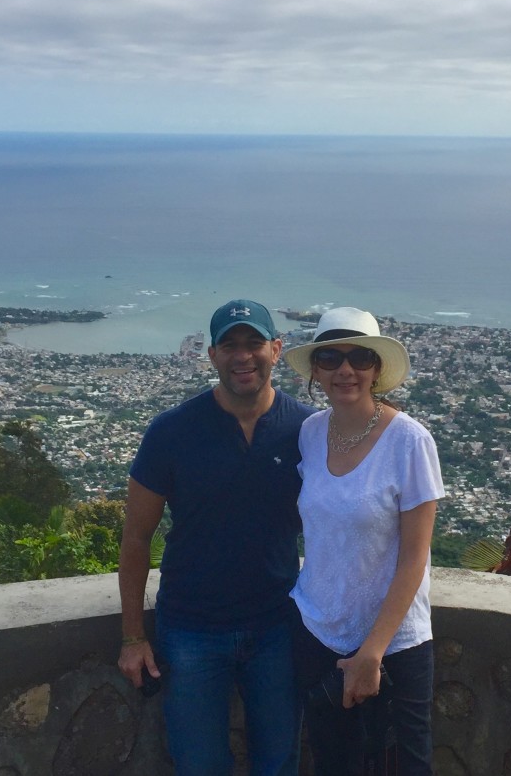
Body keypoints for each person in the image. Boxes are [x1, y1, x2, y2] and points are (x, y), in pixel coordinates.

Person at [117, 299, 316, 776]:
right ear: (211, 355)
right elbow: (136, 538)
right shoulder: (172, 431)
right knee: (199, 765)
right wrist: (132, 636)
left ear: (277, 348)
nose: (242, 356)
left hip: (276, 626)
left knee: (279, 762)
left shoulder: (307, 430)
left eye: (254, 344)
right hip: (191, 627)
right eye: (230, 345)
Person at [283, 307, 444, 775]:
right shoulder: (311, 433)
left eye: (359, 358)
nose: (345, 370)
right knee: (334, 766)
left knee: (404, 767)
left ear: (377, 369)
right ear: (315, 370)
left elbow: (415, 558)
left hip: (395, 646)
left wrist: (371, 652)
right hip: (318, 631)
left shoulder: (410, 442)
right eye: (330, 358)